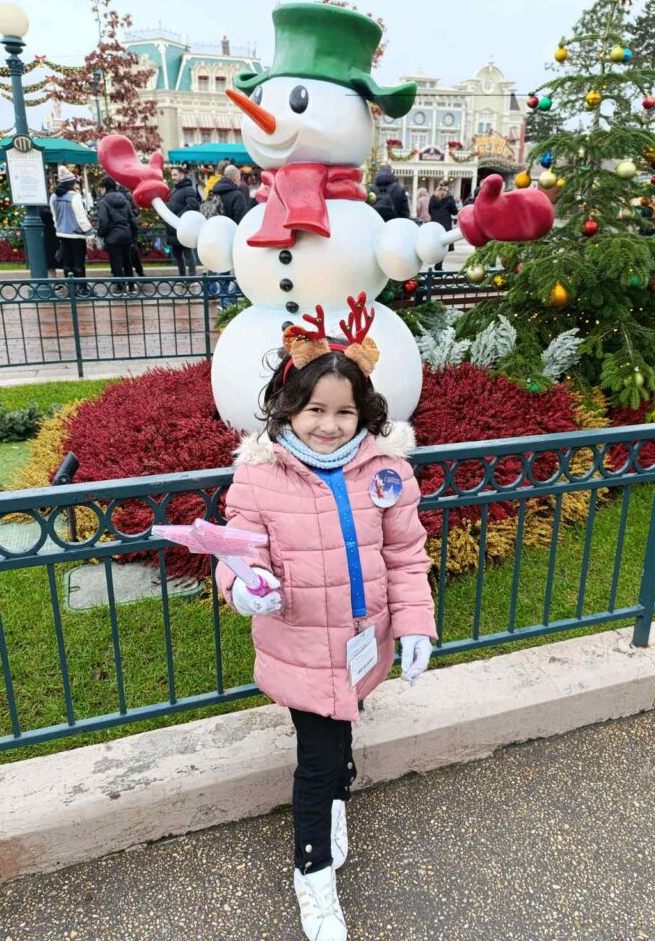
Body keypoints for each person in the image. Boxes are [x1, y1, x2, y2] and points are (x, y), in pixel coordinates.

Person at [216, 297, 436, 941]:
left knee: (340, 740)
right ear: (289, 407)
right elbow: (241, 550)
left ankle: (339, 795)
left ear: (365, 412)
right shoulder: (259, 479)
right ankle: (313, 875)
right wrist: (243, 587)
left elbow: (404, 554)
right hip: (303, 647)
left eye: (345, 412)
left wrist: (415, 623)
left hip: (364, 642)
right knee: (318, 759)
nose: (330, 426)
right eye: (316, 410)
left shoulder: (387, 473)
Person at [49, 165, 92, 295]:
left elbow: (55, 217)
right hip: (76, 235)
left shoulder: (53, 197)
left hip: (62, 234)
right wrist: (89, 233)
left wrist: (59, 228)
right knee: (79, 263)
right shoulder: (74, 196)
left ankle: (71, 288)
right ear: (71, 183)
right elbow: (81, 217)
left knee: (67, 263)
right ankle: (82, 288)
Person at [97, 176, 137, 294]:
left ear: (104, 188)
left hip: (112, 237)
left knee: (116, 263)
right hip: (126, 235)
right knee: (127, 262)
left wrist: (101, 234)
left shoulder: (104, 202)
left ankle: (120, 287)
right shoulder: (125, 200)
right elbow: (132, 219)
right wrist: (133, 236)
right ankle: (131, 286)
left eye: (101, 188)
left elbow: (104, 221)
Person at [166, 166, 200, 275]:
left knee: (187, 253)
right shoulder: (174, 190)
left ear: (182, 175)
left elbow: (192, 205)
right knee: (177, 254)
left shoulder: (188, 190)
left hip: (183, 227)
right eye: (172, 175)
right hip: (173, 227)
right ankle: (182, 277)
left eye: (175, 175)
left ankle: (192, 277)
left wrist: (178, 218)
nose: (173, 177)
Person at [428, 182, 458, 271]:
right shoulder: (449, 198)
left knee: (435, 243)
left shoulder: (433, 197)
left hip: (435, 223)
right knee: (444, 244)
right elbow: (454, 211)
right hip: (445, 224)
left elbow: (429, 210)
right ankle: (439, 264)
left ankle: (434, 261)